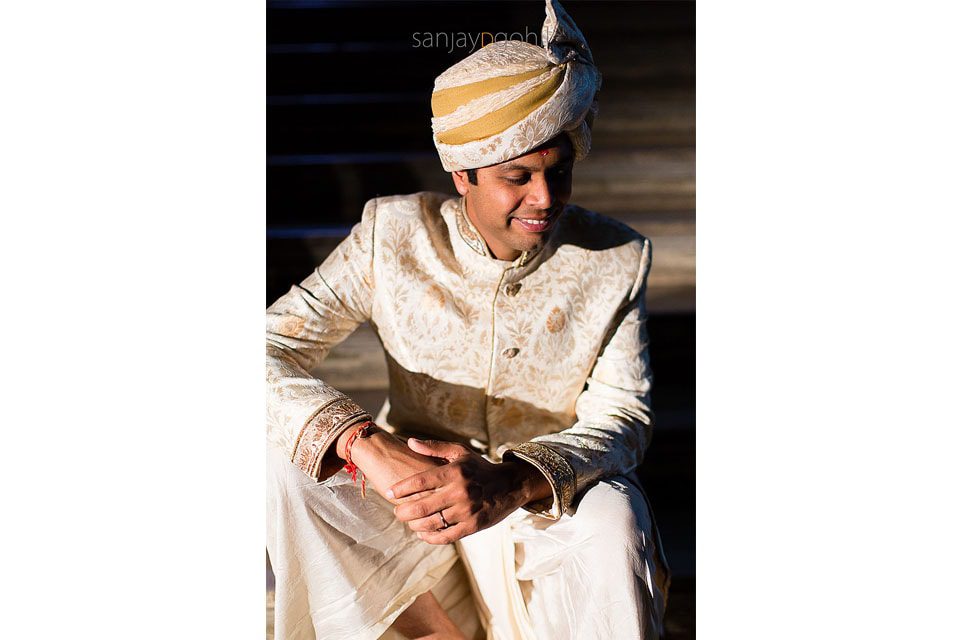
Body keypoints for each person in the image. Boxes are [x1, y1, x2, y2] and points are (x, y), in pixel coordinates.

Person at [266, 1, 670, 638]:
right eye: (518, 177)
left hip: (535, 508)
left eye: (558, 172)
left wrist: (514, 480)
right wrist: (364, 445)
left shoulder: (614, 256)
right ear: (463, 174)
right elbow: (263, 350)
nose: (545, 199)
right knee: (291, 453)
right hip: (413, 513)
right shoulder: (393, 235)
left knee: (614, 518)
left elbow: (624, 416)